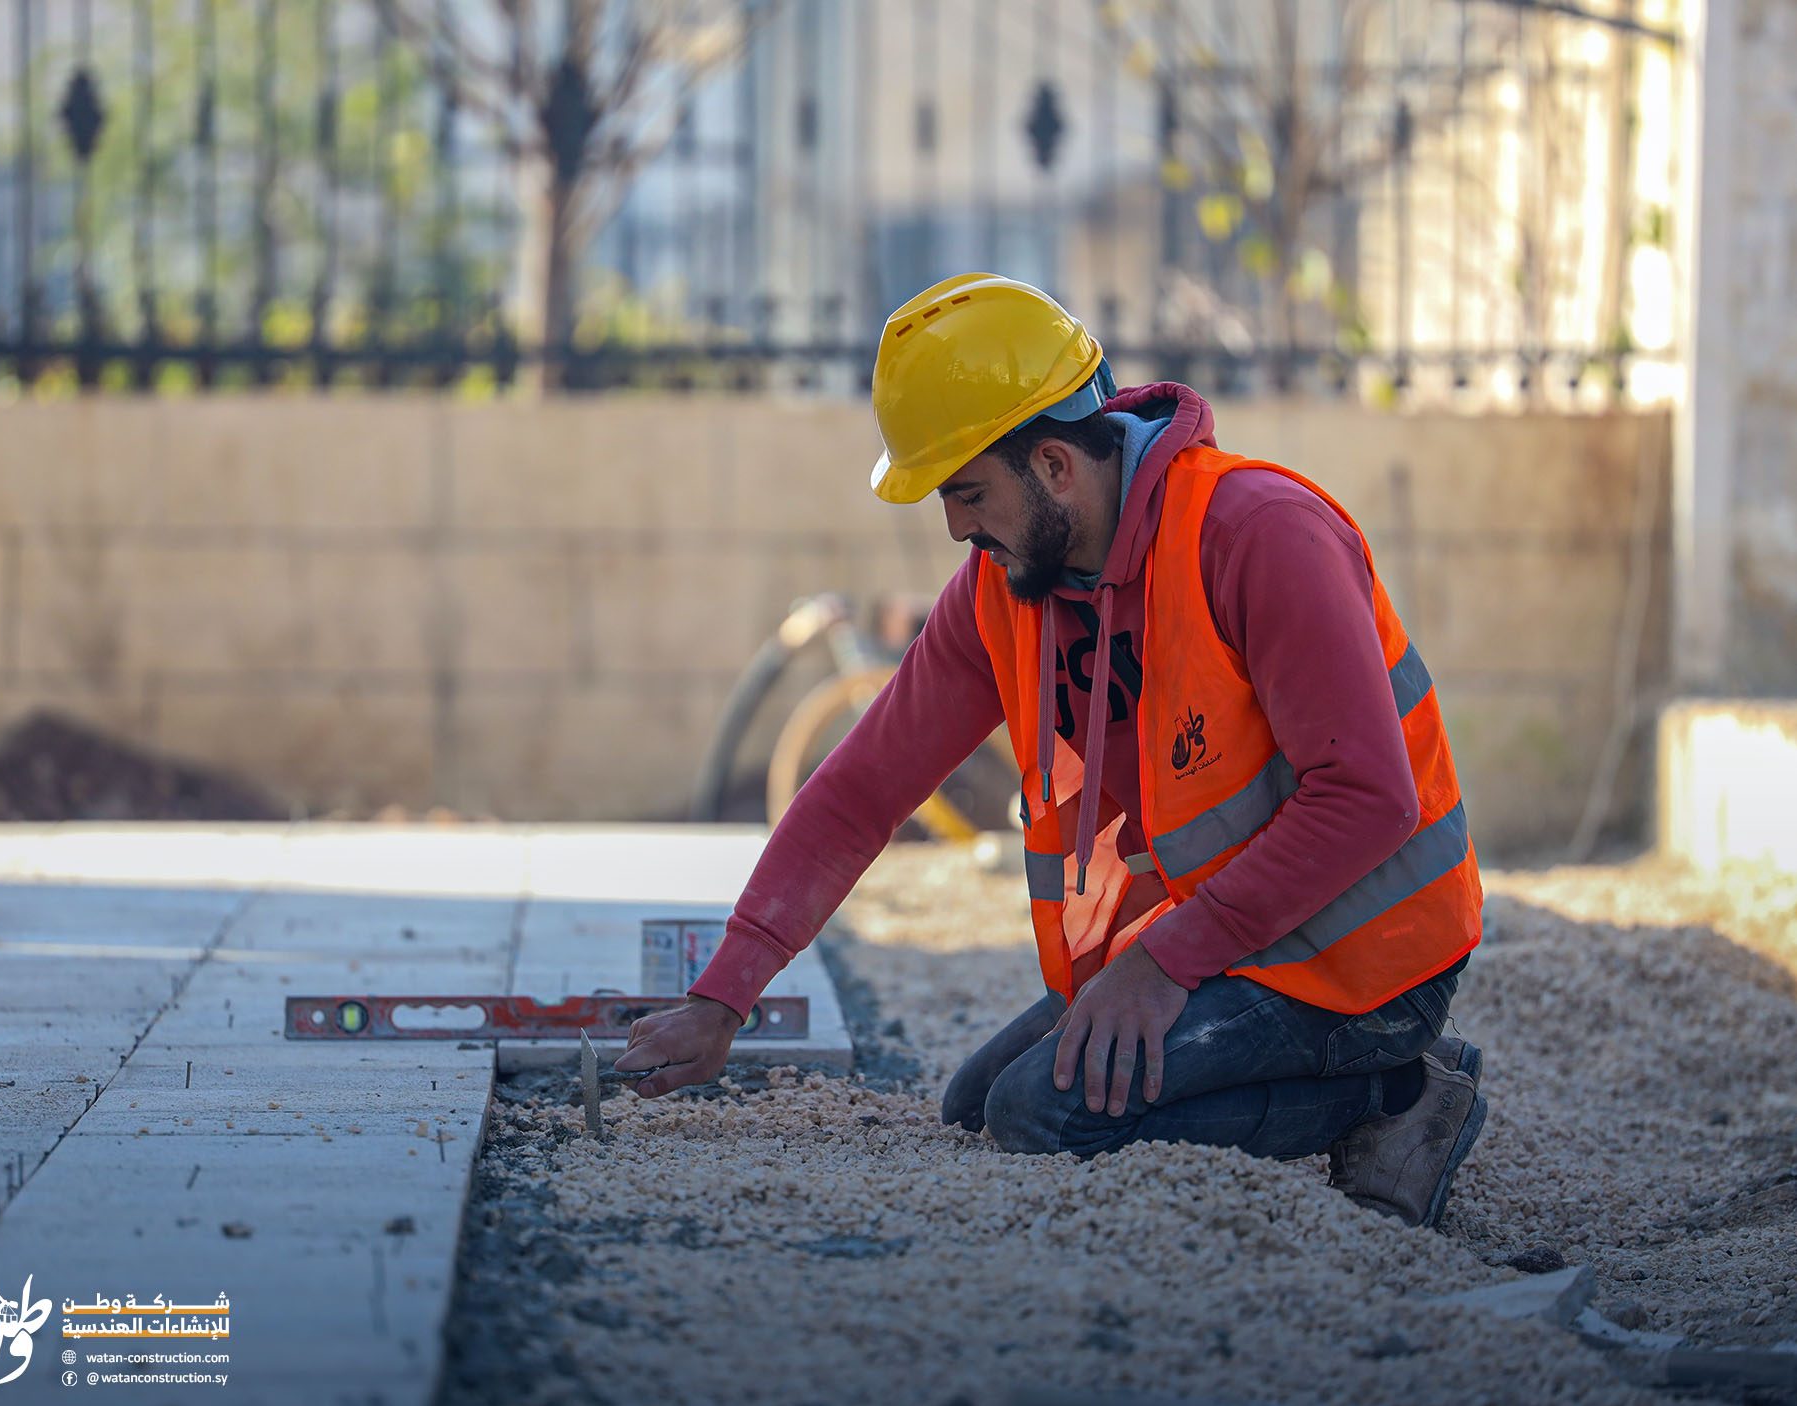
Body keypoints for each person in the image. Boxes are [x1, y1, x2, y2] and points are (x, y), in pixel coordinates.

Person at [617, 273, 1488, 1228]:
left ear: (1057, 466)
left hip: (1366, 959)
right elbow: (864, 789)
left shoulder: (1258, 533)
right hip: (1234, 945)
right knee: (976, 1108)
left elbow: (1368, 798)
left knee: (1043, 1118)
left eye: (969, 493)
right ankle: (1339, 1078)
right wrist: (722, 997)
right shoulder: (1004, 586)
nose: (956, 527)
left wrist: (1160, 966)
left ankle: (1399, 1093)